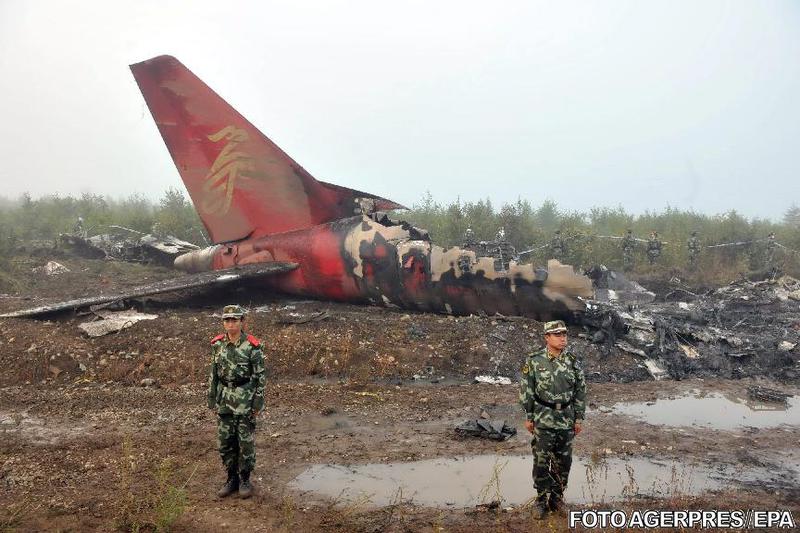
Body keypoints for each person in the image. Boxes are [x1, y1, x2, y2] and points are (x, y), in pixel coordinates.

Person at [519, 320, 586, 519]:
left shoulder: (573, 361)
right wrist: (529, 416)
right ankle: (540, 500)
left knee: (563, 462)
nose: (562, 338)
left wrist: (579, 418)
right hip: (543, 417)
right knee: (541, 461)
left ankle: (556, 498)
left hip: (566, 419)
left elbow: (580, 391)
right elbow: (527, 390)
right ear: (547, 337)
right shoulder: (534, 360)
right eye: (557, 335)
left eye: (564, 334)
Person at [208, 304, 266, 499]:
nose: (230, 323)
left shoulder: (252, 345)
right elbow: (214, 374)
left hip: (244, 398)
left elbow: (260, 377)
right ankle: (231, 478)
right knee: (225, 442)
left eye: (235, 320)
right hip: (224, 398)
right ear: (223, 323)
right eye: (227, 320)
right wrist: (212, 399)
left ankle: (244, 479)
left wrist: (258, 403)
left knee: (245, 442)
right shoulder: (217, 344)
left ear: (242, 322)